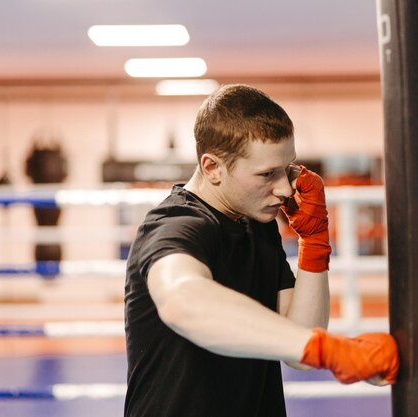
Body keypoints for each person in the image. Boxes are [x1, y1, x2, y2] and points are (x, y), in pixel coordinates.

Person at [124, 84, 399, 417]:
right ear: (212, 168)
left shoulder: (256, 223)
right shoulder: (176, 224)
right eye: (267, 174)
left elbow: (300, 345)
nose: (284, 188)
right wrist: (330, 350)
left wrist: (314, 241)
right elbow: (183, 301)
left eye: (287, 169)